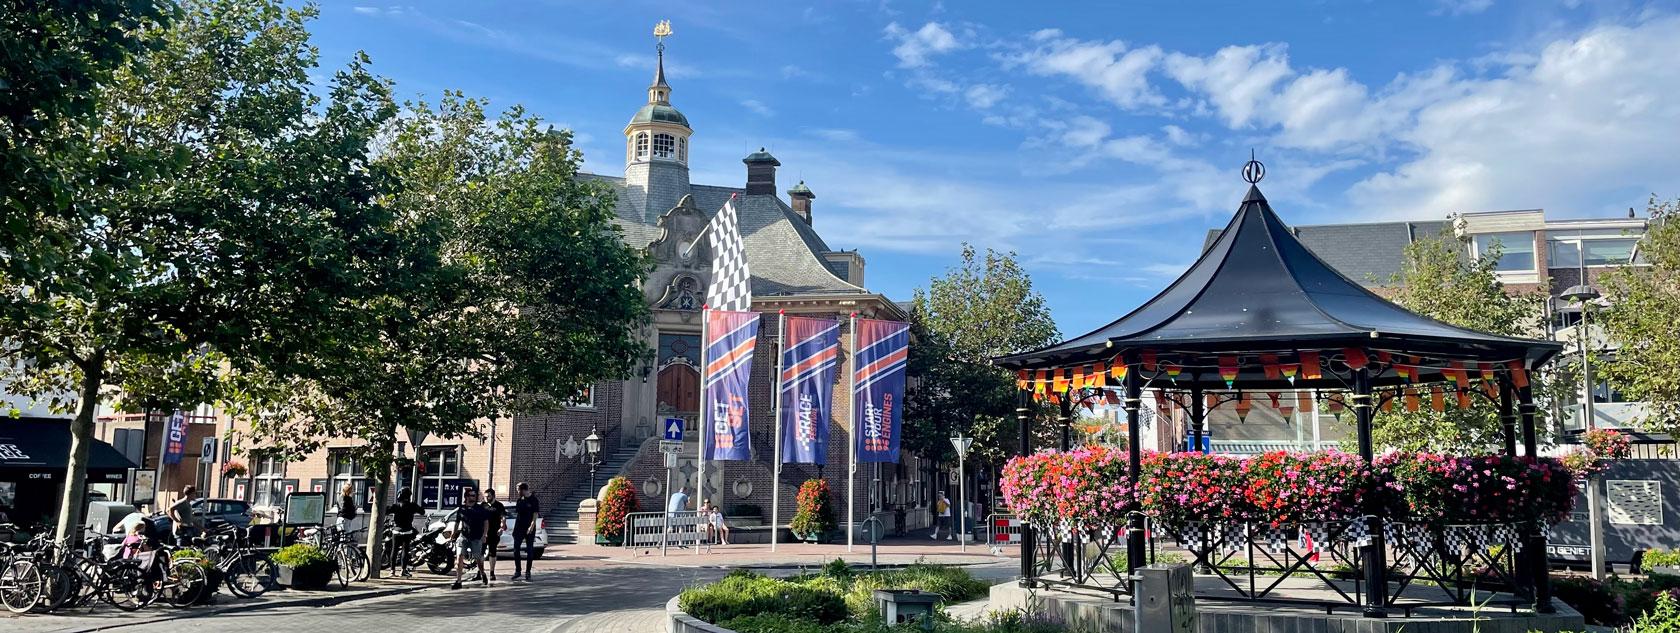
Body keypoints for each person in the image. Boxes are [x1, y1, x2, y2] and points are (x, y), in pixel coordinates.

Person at [450, 488, 491, 590]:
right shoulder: (462, 509)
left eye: (474, 495)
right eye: (471, 495)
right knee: (459, 557)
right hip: (463, 536)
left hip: (476, 538)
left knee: (478, 560)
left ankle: (482, 573)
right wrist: (453, 534)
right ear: (466, 497)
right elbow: (457, 522)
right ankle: (458, 581)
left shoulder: (480, 509)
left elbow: (486, 522)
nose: (473, 497)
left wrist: (484, 535)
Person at [387, 488, 423, 577]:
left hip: (396, 531)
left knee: (394, 550)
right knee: (405, 551)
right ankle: (403, 570)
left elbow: (386, 511)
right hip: (407, 531)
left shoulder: (396, 506)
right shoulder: (412, 506)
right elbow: (422, 511)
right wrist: (415, 507)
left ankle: (392, 571)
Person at [510, 482, 540, 581]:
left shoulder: (533, 500)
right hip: (519, 527)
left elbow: (535, 514)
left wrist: (532, 525)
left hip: (529, 527)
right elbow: (518, 514)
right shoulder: (519, 500)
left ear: (523, 490)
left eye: (518, 490)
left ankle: (528, 572)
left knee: (530, 549)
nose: (517, 492)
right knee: (516, 549)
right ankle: (518, 570)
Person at [482, 488, 507, 581]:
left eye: (488, 496)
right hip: (484, 533)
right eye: (485, 496)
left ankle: (492, 572)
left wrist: (502, 527)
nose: (486, 498)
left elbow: (503, 518)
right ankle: (480, 572)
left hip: (494, 532)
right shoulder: (483, 505)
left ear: (493, 496)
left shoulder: (499, 506)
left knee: (492, 552)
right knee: (481, 552)